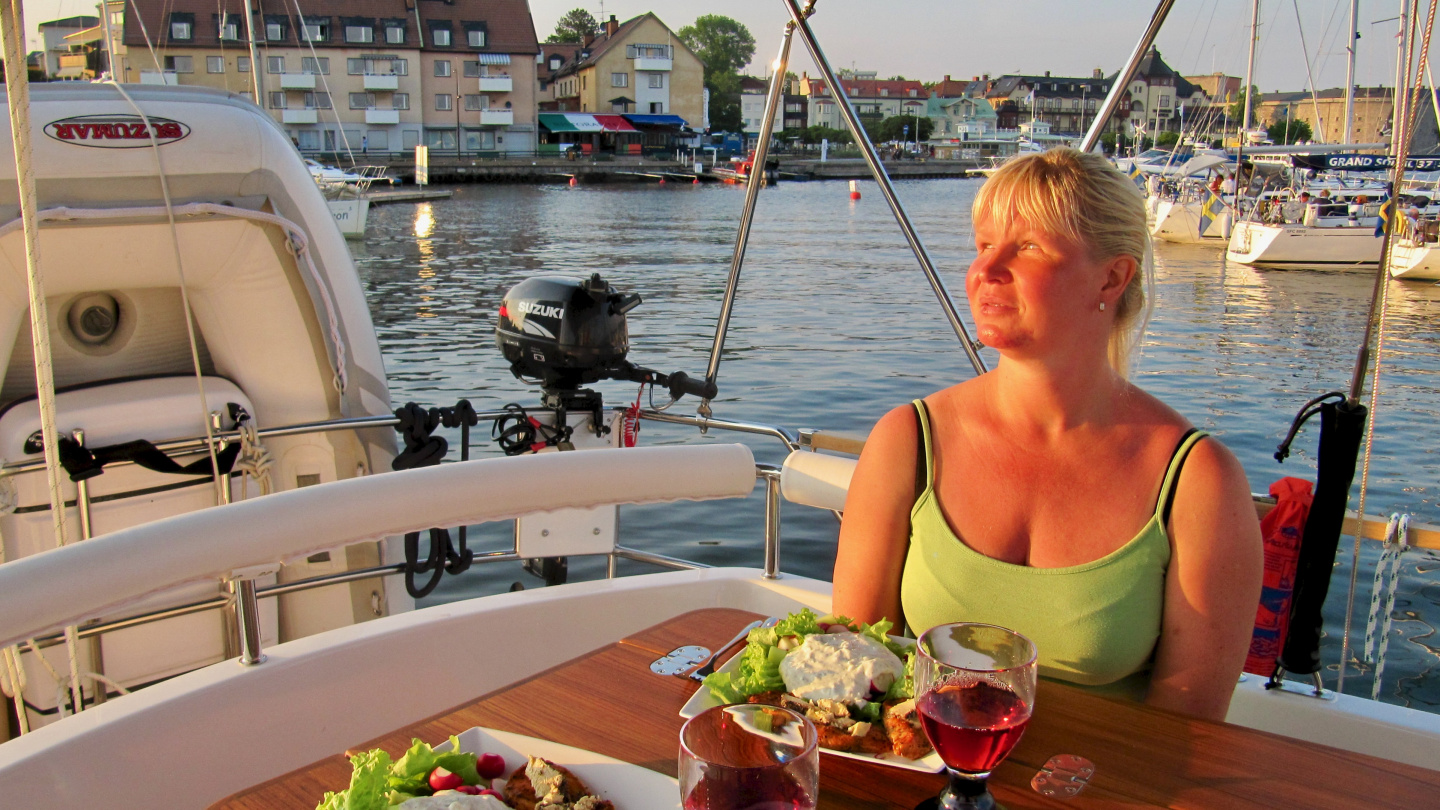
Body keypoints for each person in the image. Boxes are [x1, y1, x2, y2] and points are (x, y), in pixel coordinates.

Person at [832, 148, 1263, 722]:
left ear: (1112, 276)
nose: (985, 269)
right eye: (984, 245)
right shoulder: (907, 442)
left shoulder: (1197, 481)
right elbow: (852, 670)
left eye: (1028, 247)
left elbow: (1187, 734)